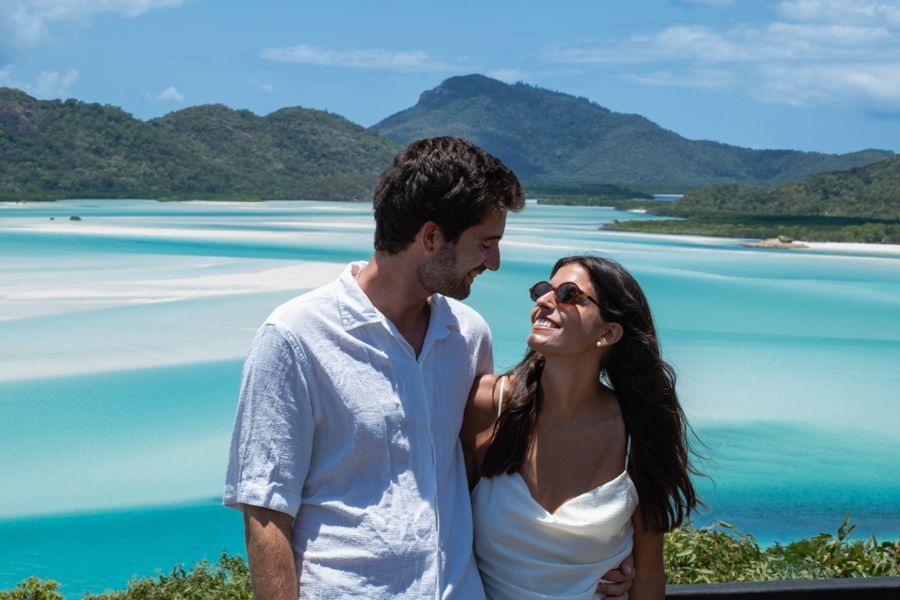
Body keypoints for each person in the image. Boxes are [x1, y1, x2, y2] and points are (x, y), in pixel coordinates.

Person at [224, 137, 634, 599]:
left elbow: (484, 480)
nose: (494, 263)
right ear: (432, 237)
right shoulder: (295, 336)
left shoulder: (468, 335)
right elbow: (265, 511)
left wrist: (591, 557)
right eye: (485, 244)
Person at [461, 255, 700, 600]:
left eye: (568, 294)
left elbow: (648, 573)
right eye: (544, 290)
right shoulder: (488, 406)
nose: (544, 301)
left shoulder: (639, 432)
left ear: (608, 332)